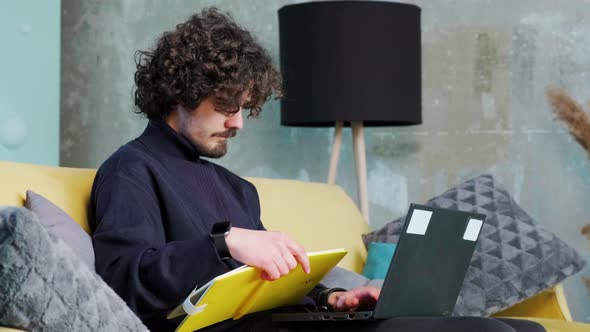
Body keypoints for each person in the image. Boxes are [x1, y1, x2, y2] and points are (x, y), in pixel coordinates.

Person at [90, 7, 546, 332]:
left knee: (525, 330)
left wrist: (332, 298)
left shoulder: (237, 189)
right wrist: (225, 243)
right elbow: (124, 278)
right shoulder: (131, 170)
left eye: (245, 108)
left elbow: (270, 287)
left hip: (285, 322)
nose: (238, 123)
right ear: (178, 91)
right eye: (228, 105)